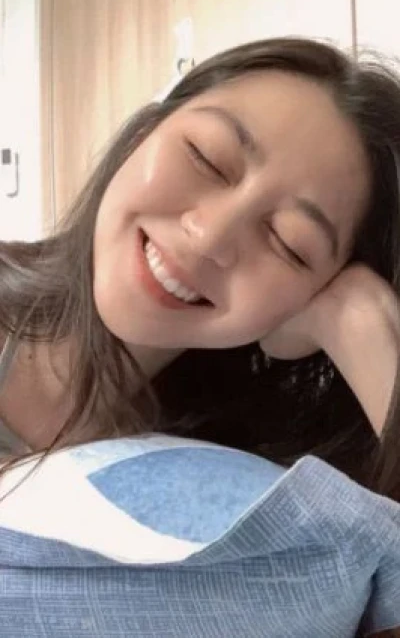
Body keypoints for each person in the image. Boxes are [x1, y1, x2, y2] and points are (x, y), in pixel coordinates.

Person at [0, 37, 400, 637]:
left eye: (289, 243)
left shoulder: (256, 492)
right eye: (207, 158)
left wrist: (375, 343)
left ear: (313, 298)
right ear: (144, 133)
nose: (208, 236)